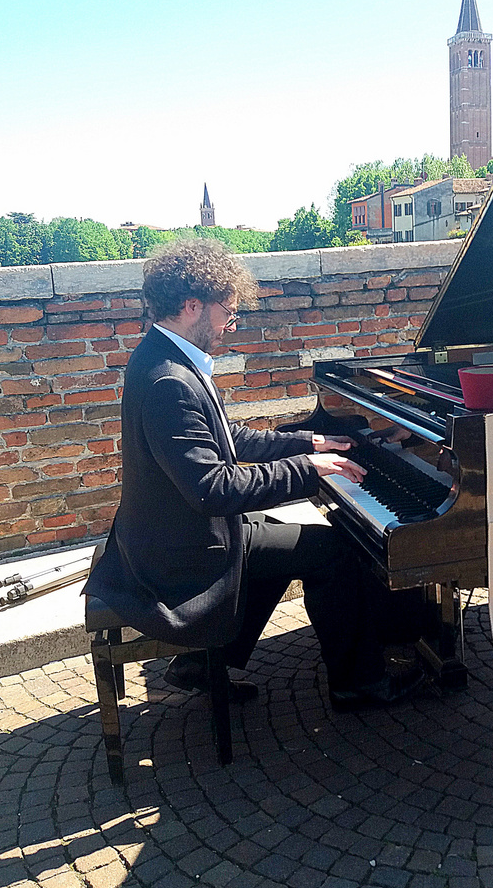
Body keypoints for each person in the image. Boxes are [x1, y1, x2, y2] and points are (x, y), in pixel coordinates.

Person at [84, 238, 422, 710]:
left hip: (172, 533)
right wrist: (308, 471)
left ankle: (201, 664)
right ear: (191, 305)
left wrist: (310, 442)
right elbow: (212, 490)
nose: (229, 325)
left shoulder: (165, 358)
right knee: (333, 552)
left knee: (277, 537)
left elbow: (231, 439)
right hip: (183, 553)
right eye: (227, 312)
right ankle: (359, 682)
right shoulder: (169, 382)